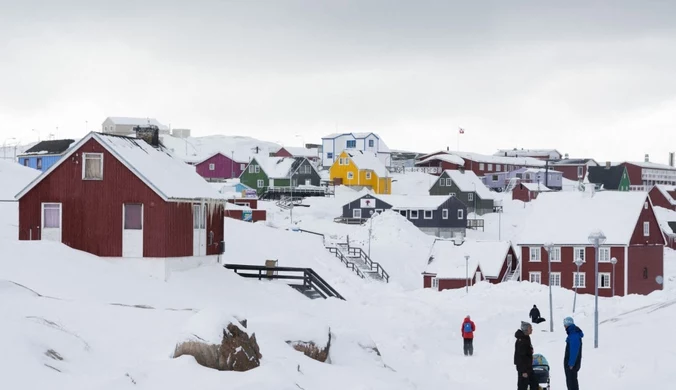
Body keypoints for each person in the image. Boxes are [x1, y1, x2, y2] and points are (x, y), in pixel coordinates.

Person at [514, 321, 539, 390]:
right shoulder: (521, 340)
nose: (532, 329)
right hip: (524, 369)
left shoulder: (526, 337)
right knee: (523, 386)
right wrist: (523, 371)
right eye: (530, 328)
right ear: (526, 330)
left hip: (528, 367)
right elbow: (520, 357)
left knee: (534, 384)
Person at [563, 317, 583, 390]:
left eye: (565, 325)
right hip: (572, 363)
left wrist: (571, 363)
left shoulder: (573, 335)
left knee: (571, 382)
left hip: (571, 364)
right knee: (572, 381)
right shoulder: (573, 333)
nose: (564, 327)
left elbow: (574, 350)